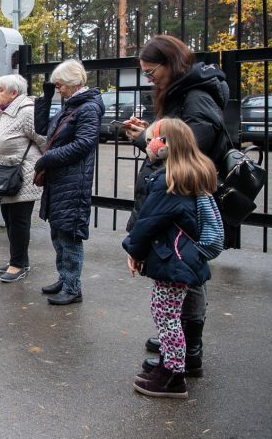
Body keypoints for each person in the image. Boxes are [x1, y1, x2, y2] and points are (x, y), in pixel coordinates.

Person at [121, 34, 228, 378]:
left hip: (184, 201)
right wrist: (150, 132)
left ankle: (188, 353)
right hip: (177, 197)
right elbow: (173, 139)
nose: (149, 79)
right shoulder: (184, 92)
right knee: (179, 270)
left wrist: (143, 139)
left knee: (186, 271)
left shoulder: (197, 96)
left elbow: (190, 145)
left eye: (152, 72)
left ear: (171, 64)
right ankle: (176, 340)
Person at [122, 118, 214, 399]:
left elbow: (149, 221)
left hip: (173, 258)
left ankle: (172, 375)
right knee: (170, 314)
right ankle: (169, 365)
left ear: (165, 146)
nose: (147, 144)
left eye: (152, 139)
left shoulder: (168, 180)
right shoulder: (191, 171)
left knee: (166, 316)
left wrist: (134, 251)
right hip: (182, 256)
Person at [33, 59, 104, 305]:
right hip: (60, 180)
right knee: (58, 232)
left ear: (73, 84)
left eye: (60, 85)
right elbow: (42, 128)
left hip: (74, 182)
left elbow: (83, 145)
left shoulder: (88, 108)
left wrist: (48, 158)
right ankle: (65, 278)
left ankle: (73, 287)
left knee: (69, 235)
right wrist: (46, 97)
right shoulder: (70, 105)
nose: (59, 89)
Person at [0, 74, 47, 283]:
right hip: (4, 175)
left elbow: (44, 141)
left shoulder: (27, 112)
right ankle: (20, 260)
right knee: (9, 219)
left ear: (14, 93)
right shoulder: (0, 112)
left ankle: (17, 264)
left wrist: (42, 167)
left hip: (22, 176)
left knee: (19, 221)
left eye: (1, 90)